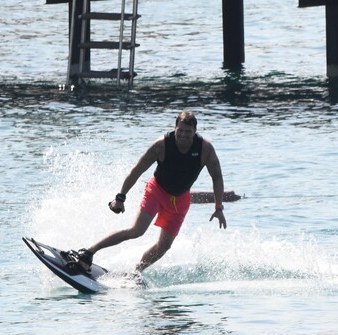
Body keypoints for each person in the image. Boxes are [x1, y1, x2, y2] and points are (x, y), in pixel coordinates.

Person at [68, 111, 227, 274]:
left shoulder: (205, 149)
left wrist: (218, 207)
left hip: (180, 200)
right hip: (157, 191)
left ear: (195, 131)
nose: (184, 135)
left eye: (188, 131)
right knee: (137, 231)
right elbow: (137, 170)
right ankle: (88, 252)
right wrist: (120, 197)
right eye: (180, 130)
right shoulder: (161, 145)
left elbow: (217, 177)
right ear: (175, 128)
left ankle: (135, 272)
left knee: (164, 246)